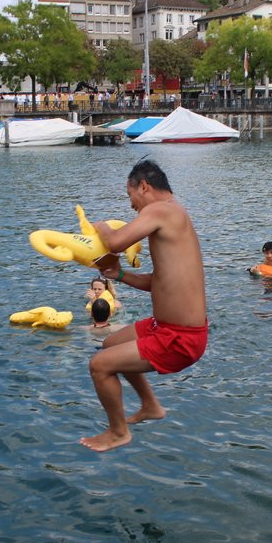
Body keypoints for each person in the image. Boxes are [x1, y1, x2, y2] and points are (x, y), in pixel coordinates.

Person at [82, 159, 208, 452]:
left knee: (99, 367)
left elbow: (114, 243)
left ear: (144, 186)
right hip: (165, 327)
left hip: (180, 338)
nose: (131, 207)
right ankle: (151, 405)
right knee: (110, 344)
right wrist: (121, 276)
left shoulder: (161, 209)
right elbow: (158, 283)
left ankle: (118, 432)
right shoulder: (175, 216)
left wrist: (99, 227)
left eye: (131, 198)